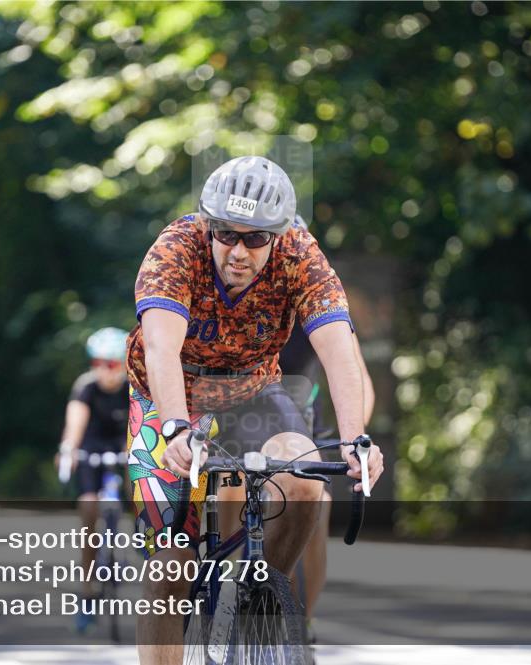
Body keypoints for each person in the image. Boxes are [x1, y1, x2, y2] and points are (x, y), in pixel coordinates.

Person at [126, 156, 385, 663]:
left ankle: (263, 595)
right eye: (226, 234)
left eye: (256, 239)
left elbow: (339, 350)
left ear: (279, 235)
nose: (238, 251)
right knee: (171, 564)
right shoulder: (176, 250)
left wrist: (357, 438)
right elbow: (161, 349)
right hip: (172, 396)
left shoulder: (301, 255)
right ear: (207, 224)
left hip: (253, 391)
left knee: (307, 476)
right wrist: (176, 428)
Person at [279, 217, 377, 634]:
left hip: (300, 411)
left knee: (317, 511)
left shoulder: (316, 294)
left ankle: (303, 622)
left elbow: (357, 378)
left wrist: (355, 439)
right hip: (237, 409)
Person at [54, 326, 130, 633]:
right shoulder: (86, 387)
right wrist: (67, 450)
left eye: (110, 364)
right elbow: (74, 424)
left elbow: (144, 426)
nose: (103, 371)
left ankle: (140, 533)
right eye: (96, 363)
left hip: (123, 447)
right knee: (88, 509)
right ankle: (87, 593)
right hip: (91, 449)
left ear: (123, 364)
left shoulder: (134, 387)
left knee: (140, 483)